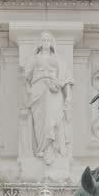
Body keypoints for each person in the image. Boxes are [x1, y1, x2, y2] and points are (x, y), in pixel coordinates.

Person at [21, 31, 73, 165]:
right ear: (40, 43)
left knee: (53, 118)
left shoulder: (58, 60)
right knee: (40, 120)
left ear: (51, 43)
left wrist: (68, 97)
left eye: (48, 40)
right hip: (38, 90)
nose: (45, 42)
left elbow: (66, 78)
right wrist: (28, 90)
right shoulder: (34, 59)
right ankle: (41, 148)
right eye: (43, 40)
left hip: (54, 91)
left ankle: (50, 148)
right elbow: (26, 77)